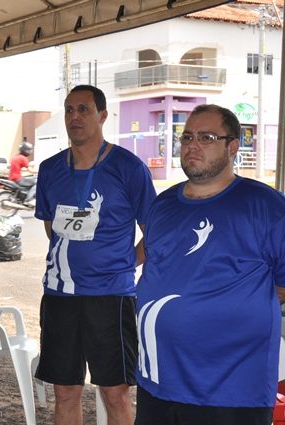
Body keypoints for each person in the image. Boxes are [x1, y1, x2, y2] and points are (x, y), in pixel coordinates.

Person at [135, 104, 285, 425]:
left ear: (232, 147)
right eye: (187, 136)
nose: (192, 145)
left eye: (206, 137)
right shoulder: (163, 204)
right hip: (157, 382)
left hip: (229, 393)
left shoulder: (265, 205)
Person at [34, 84, 156, 425]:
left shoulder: (129, 168)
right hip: (60, 295)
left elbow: (154, 231)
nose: (75, 117)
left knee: (115, 393)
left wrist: (127, 262)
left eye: (84, 109)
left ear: (102, 116)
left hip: (110, 296)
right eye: (69, 110)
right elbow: (51, 227)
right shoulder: (50, 168)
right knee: (65, 392)